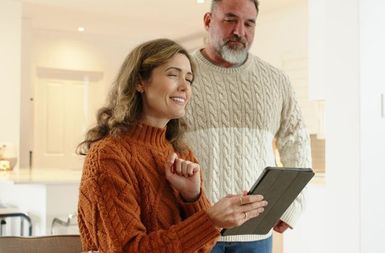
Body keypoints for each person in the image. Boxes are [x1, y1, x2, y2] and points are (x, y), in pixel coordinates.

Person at [76, 38, 268, 253]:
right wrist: (211, 219)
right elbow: (128, 249)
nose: (185, 87)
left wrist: (192, 196)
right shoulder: (108, 155)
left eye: (189, 78)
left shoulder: (181, 153)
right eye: (173, 74)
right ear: (140, 82)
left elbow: (205, 246)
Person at [183, 0, 313, 252]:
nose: (239, 31)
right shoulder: (181, 74)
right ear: (208, 21)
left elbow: (297, 141)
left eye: (249, 23)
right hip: (194, 229)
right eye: (230, 19)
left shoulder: (276, 81)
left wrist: (293, 204)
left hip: (257, 232)